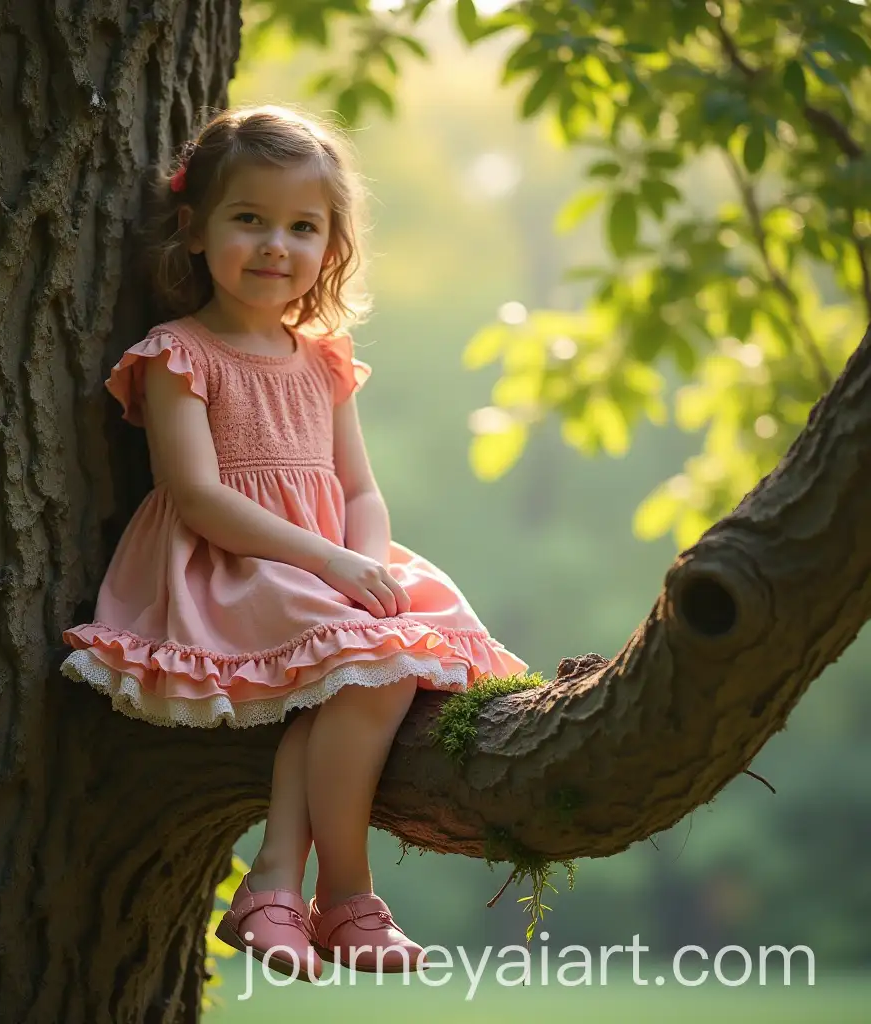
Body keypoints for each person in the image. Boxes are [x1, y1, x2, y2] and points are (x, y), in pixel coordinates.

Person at [61, 104, 529, 982]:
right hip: (228, 568)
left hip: (331, 563)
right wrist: (328, 563)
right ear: (196, 230)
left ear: (331, 245)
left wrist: (369, 563)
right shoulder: (179, 355)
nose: (277, 244)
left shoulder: (322, 360)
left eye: (302, 227)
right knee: (376, 668)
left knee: (371, 660)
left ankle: (278, 880)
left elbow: (357, 487)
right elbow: (195, 494)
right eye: (251, 219)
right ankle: (347, 896)